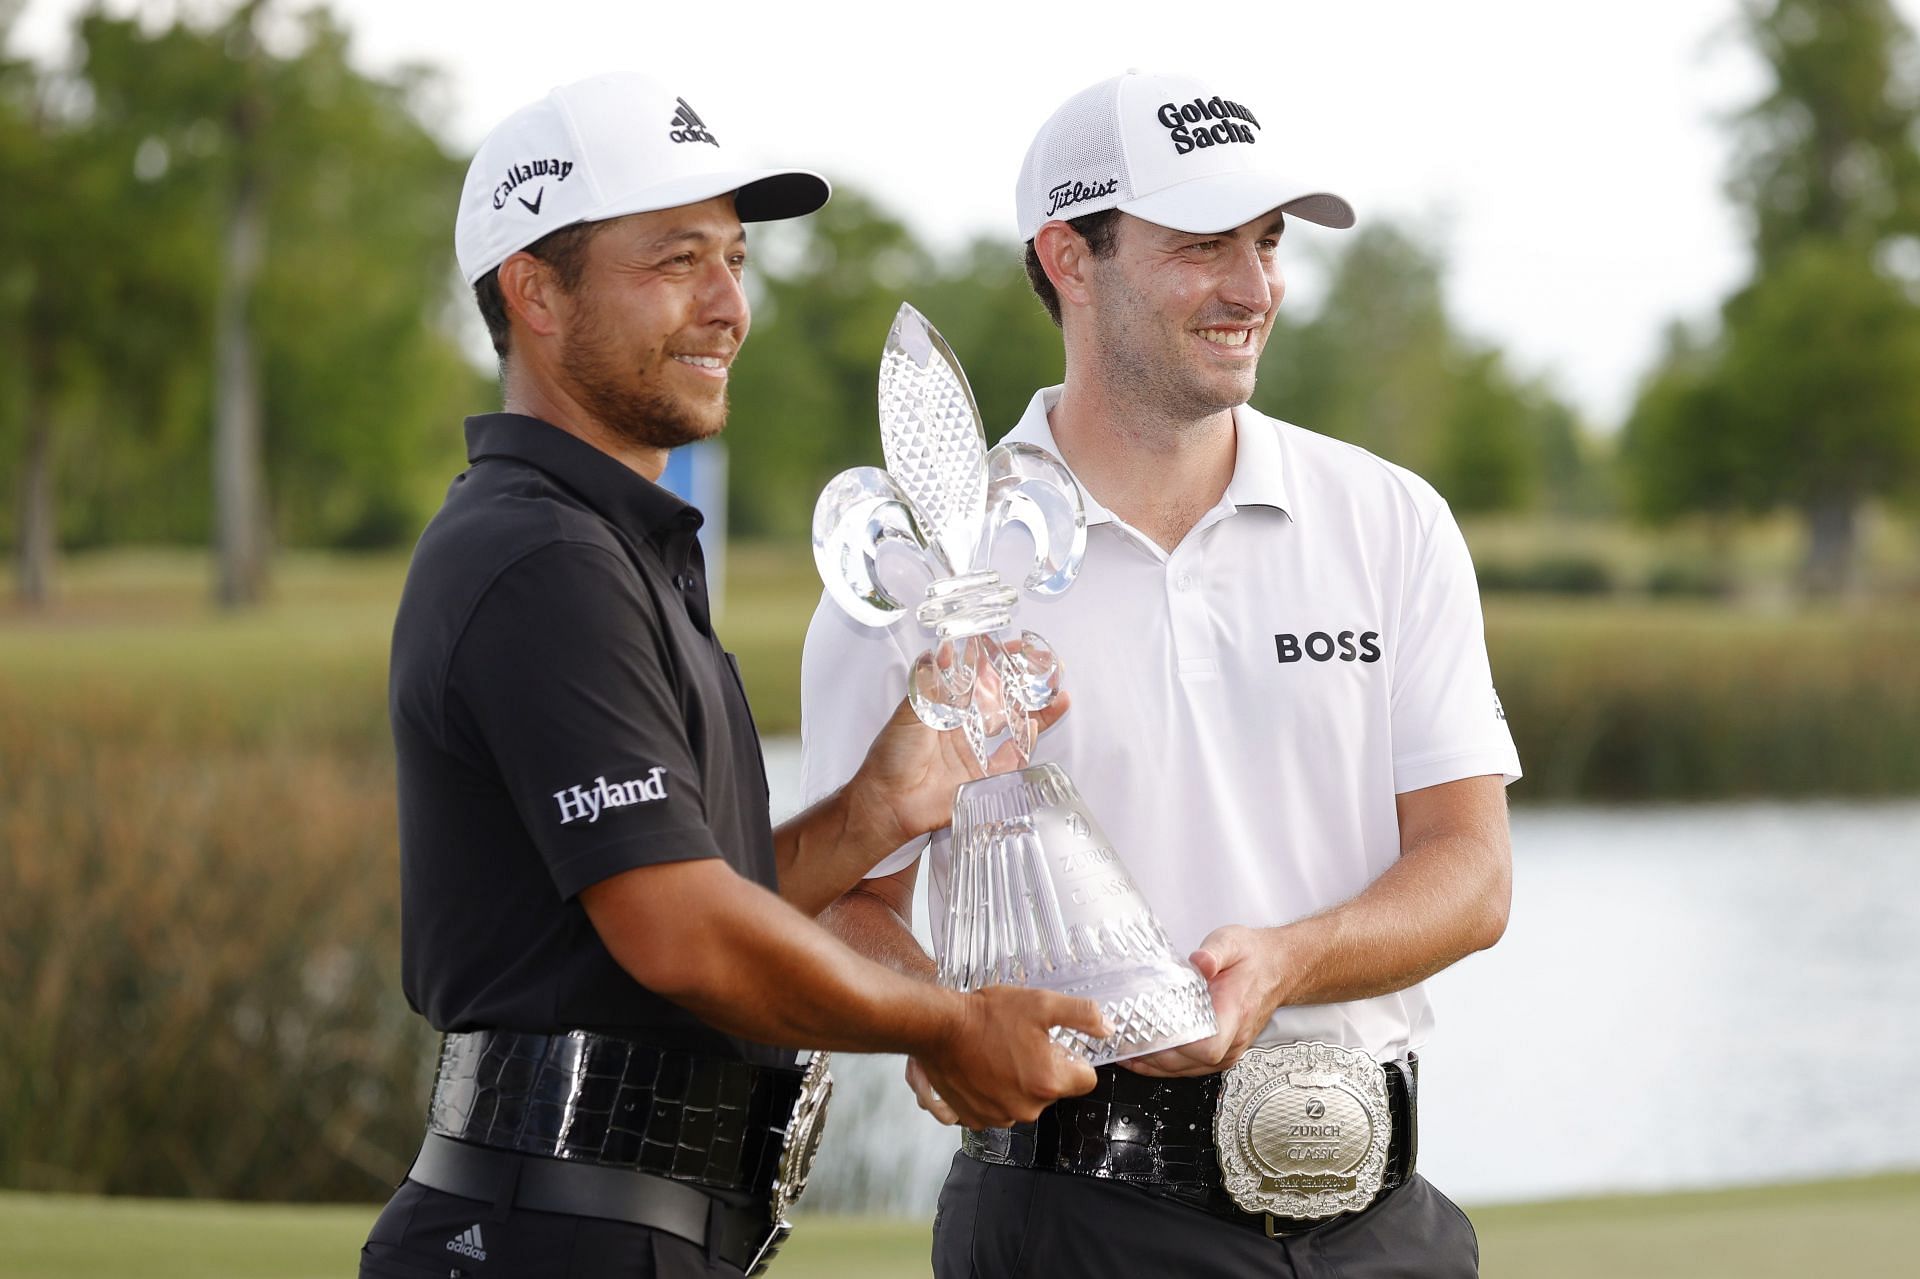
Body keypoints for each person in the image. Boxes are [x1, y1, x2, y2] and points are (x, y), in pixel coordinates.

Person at [360, 72, 1107, 1279]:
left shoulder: (607, 544)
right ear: (534, 292)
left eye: (735, 260)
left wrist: (874, 807)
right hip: (550, 1229)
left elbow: (678, 903)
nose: (726, 307)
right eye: (673, 263)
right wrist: (953, 1025)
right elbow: (685, 938)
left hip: (610, 1227)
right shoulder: (541, 555)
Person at [800, 70, 1521, 1278]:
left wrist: (1296, 954)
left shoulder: (1390, 520)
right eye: (1202, 247)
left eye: (1270, 242)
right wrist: (944, 1023)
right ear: (1068, 257)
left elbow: (1473, 870)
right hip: (1071, 1216)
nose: (1254, 288)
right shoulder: (929, 558)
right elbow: (843, 897)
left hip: (1380, 1222)